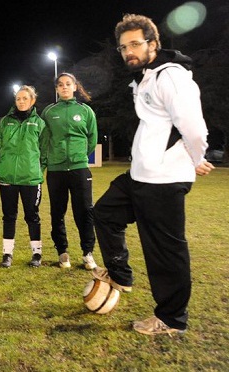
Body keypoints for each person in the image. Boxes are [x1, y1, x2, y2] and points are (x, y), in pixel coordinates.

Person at [93, 13, 214, 335]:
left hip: (163, 180)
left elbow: (193, 126)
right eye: (123, 47)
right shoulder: (145, 76)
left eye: (135, 44)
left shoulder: (170, 76)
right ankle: (120, 274)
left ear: (153, 43)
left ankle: (172, 319)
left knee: (164, 249)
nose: (128, 51)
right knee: (104, 213)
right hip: (141, 175)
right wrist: (191, 156)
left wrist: (195, 157)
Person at [41, 72, 98, 270]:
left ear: (74, 87)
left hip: (79, 168)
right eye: (60, 84)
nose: (64, 87)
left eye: (68, 84)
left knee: (84, 212)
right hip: (56, 170)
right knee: (57, 212)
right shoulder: (49, 112)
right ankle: (62, 252)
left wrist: (79, 155)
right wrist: (49, 159)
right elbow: (44, 139)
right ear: (56, 89)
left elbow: (92, 139)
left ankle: (87, 253)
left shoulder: (86, 111)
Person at [0, 85, 46, 268]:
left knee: (32, 216)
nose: (21, 101)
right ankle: (7, 254)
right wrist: (2, 168)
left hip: (30, 179)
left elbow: (45, 151)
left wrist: (37, 170)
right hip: (8, 178)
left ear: (32, 100)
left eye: (25, 98)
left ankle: (37, 253)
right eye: (18, 98)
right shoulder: (4, 122)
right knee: (8, 216)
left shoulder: (40, 124)